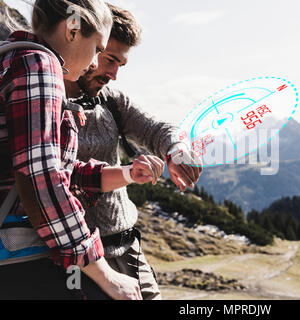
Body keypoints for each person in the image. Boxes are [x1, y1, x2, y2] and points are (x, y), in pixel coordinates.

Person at [0, 0, 164, 300]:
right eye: (98, 49)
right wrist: (106, 275)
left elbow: (44, 165)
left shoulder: (12, 58)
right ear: (72, 30)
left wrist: (125, 172)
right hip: (19, 262)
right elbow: (42, 179)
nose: (93, 63)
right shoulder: (40, 65)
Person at [64, 3, 203, 300]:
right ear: (89, 43)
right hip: (76, 262)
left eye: (120, 65)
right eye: (109, 59)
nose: (113, 74)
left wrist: (176, 148)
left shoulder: (111, 101)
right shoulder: (44, 101)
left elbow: (156, 128)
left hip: (127, 248)